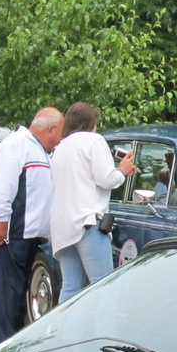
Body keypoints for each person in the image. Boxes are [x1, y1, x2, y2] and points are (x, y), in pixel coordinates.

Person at [0, 107, 63, 344]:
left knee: (18, 295)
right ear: (50, 129)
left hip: (30, 235)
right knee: (8, 296)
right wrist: (1, 222)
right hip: (14, 233)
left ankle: (13, 345)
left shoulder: (38, 150)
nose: (60, 139)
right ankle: (3, 347)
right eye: (59, 132)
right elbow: (2, 188)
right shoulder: (16, 145)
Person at [49, 102, 136, 302]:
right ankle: (102, 332)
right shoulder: (94, 141)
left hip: (62, 227)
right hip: (88, 223)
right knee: (104, 288)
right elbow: (106, 180)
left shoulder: (60, 148)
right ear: (90, 123)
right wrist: (122, 170)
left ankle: (66, 333)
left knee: (70, 288)